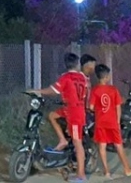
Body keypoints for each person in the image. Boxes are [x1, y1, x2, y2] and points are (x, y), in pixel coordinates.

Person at [33, 52, 90, 181]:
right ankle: (63, 140)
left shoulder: (66, 77)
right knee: (52, 115)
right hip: (71, 109)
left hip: (74, 112)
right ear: (77, 64)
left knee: (77, 142)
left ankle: (81, 175)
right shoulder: (82, 78)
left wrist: (39, 91)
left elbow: (54, 90)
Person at [91, 64, 131, 178]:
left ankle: (107, 172)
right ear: (106, 77)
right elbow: (118, 106)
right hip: (112, 122)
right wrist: (118, 121)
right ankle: (127, 169)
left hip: (100, 122)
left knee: (102, 146)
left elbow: (91, 107)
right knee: (119, 145)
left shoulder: (95, 90)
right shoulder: (113, 89)